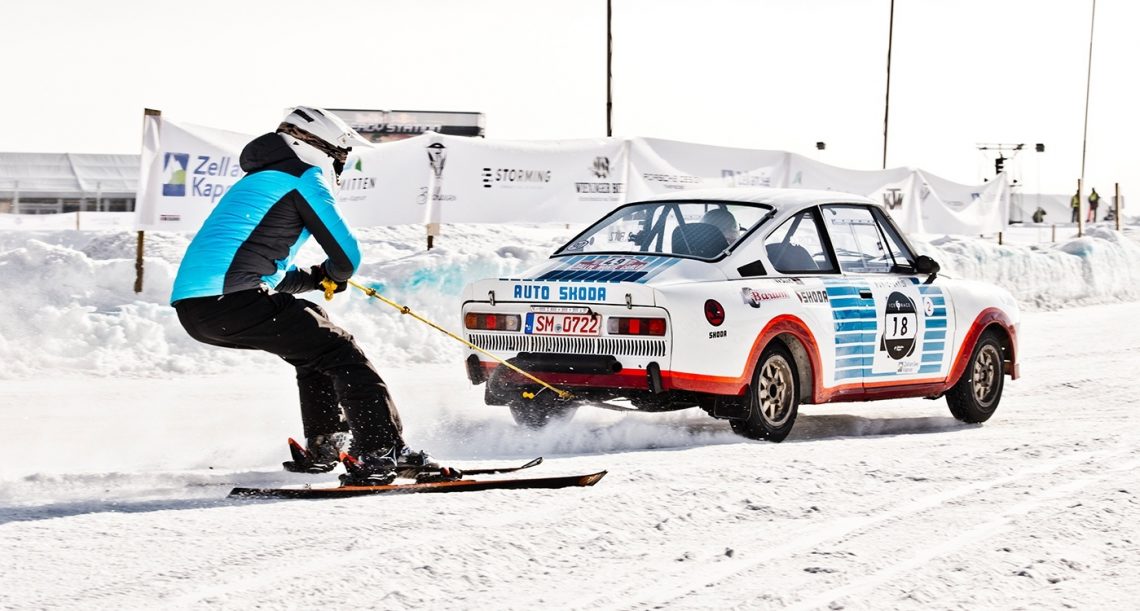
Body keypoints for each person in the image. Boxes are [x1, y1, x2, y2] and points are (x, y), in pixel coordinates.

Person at [170, 106, 436, 485]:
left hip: (199, 310)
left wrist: (316, 278)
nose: (340, 166)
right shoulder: (302, 176)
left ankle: (327, 443)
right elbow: (347, 257)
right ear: (317, 147)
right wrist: (335, 274)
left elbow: (267, 271)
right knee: (342, 351)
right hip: (233, 300)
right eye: (340, 156)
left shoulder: (259, 180)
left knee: (314, 344)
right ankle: (382, 450)